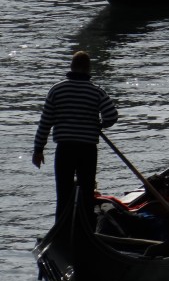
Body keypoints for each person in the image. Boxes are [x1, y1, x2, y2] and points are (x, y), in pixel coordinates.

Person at [33, 51, 119, 222]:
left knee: (63, 192)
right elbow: (112, 116)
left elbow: (45, 122)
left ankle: (61, 227)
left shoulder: (56, 90)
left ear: (71, 67)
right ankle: (87, 227)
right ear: (88, 69)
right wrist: (99, 126)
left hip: (65, 148)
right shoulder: (96, 92)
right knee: (87, 192)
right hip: (87, 148)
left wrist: (38, 149)